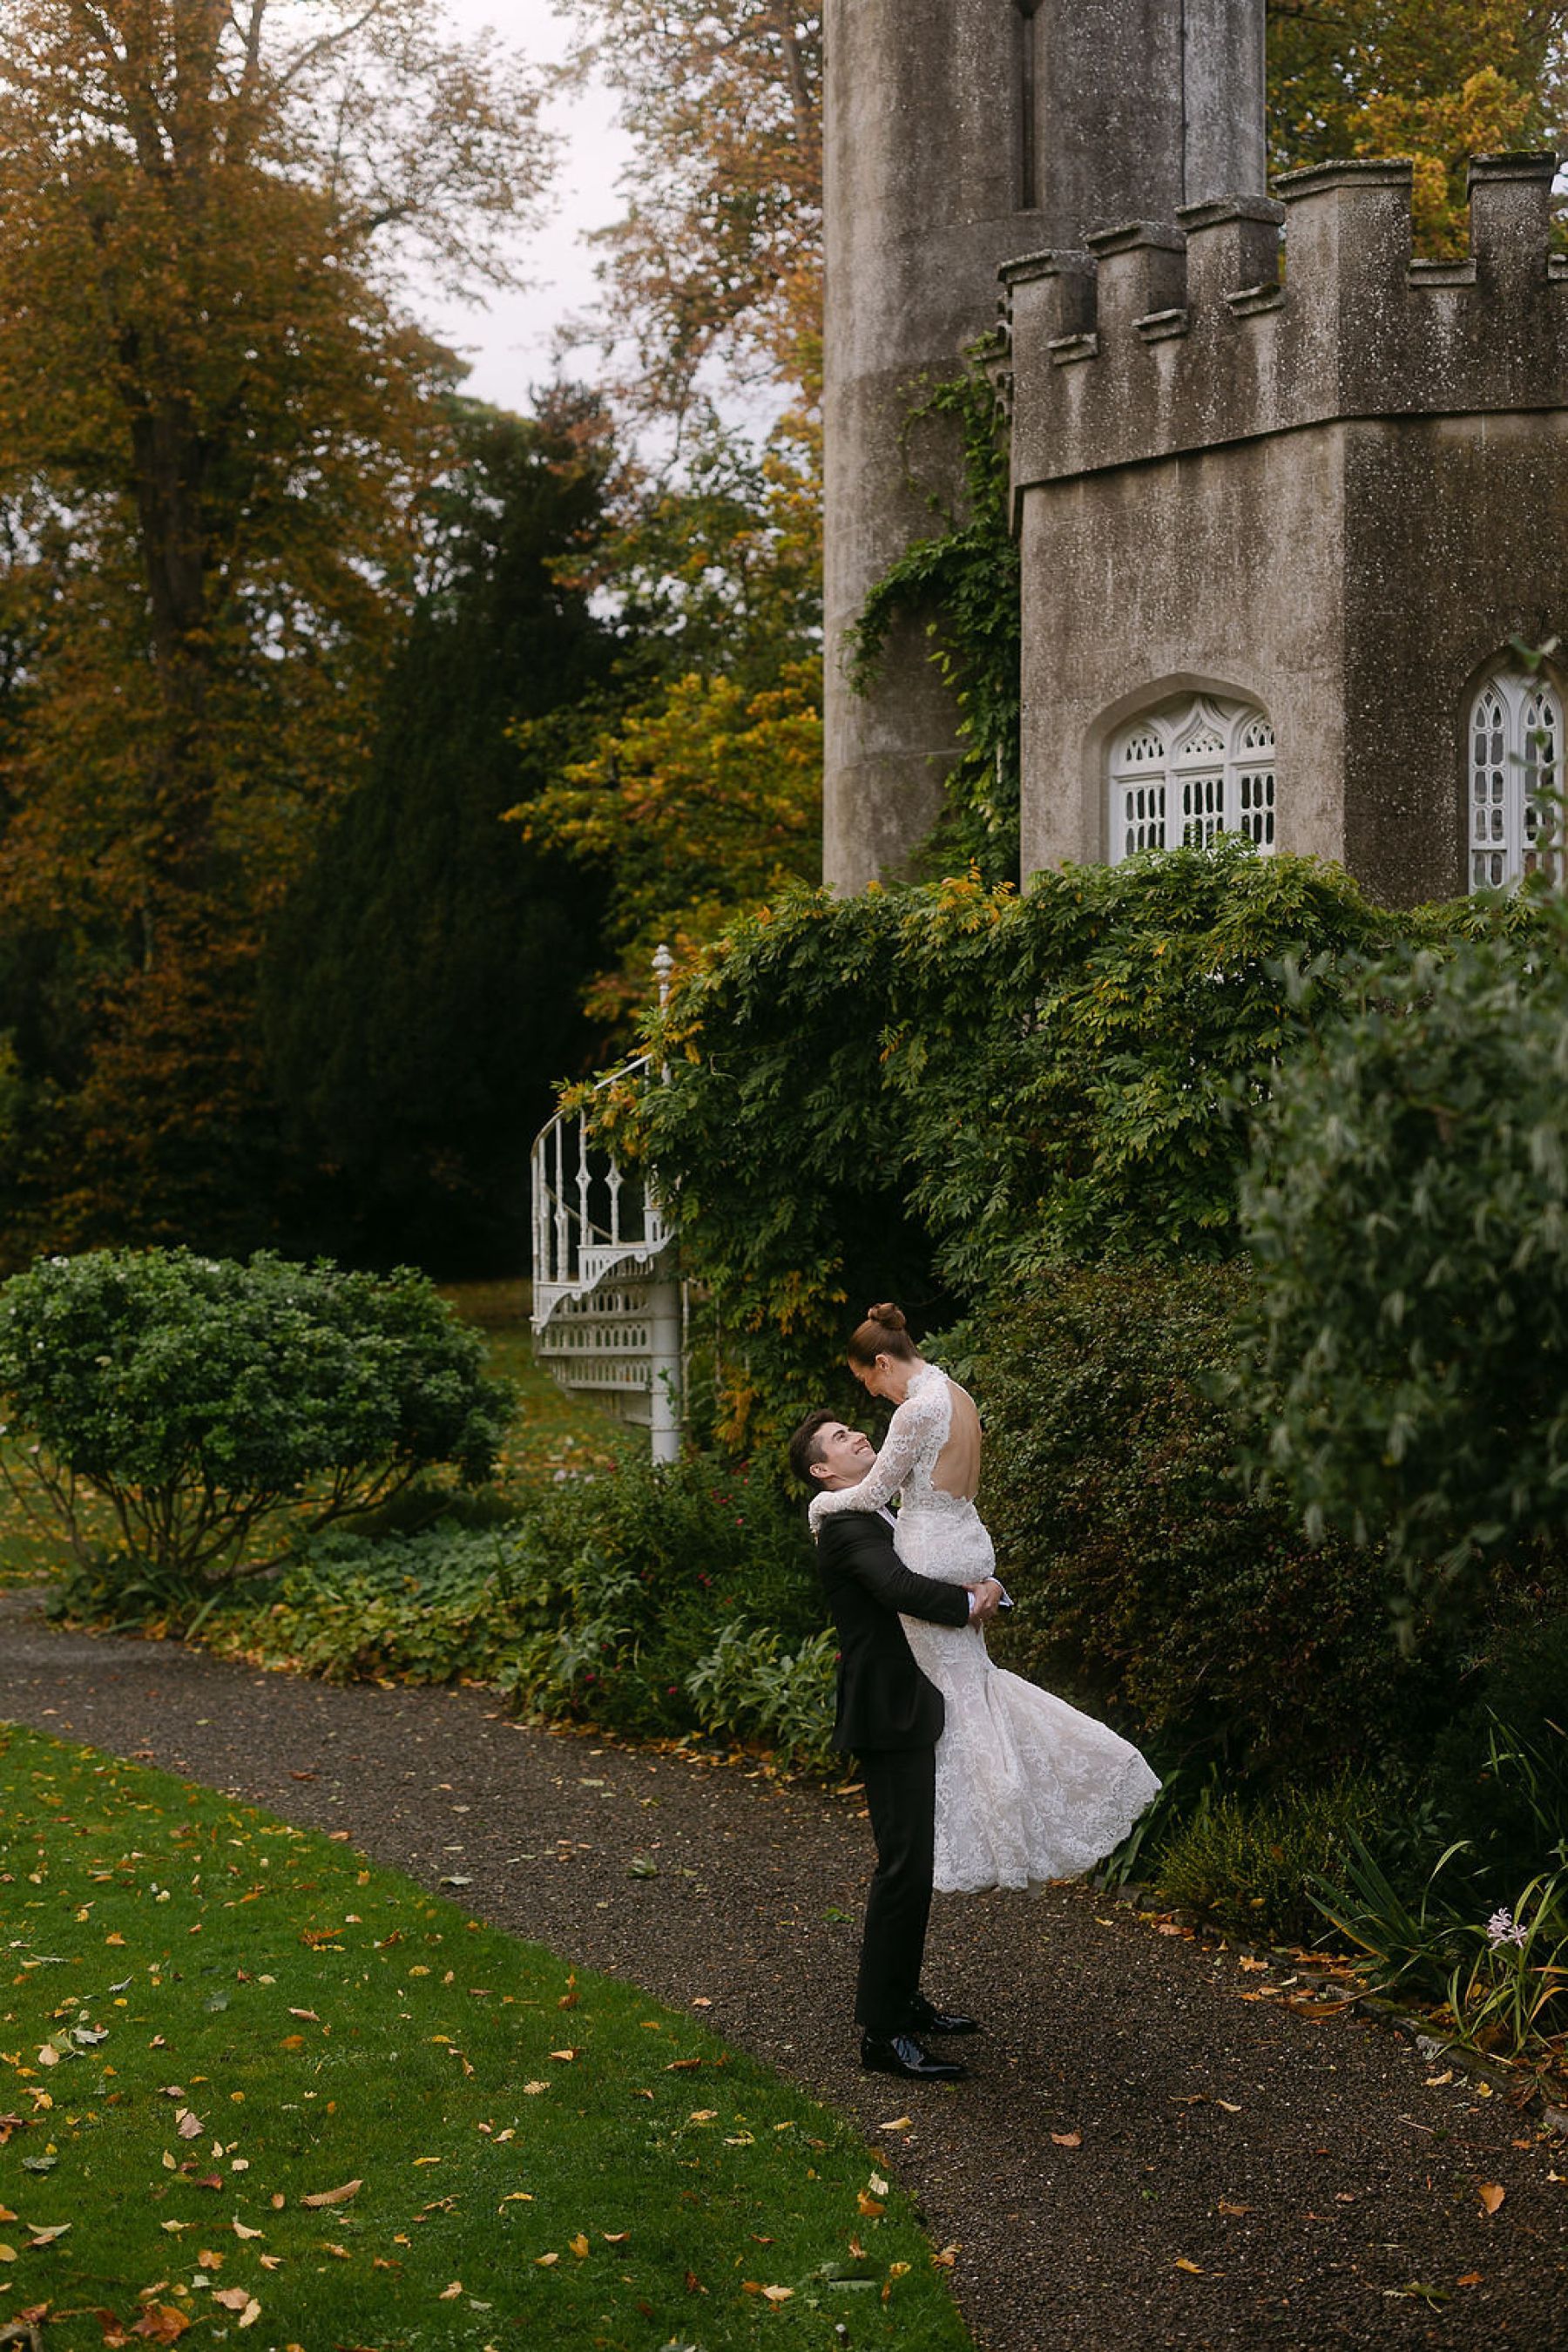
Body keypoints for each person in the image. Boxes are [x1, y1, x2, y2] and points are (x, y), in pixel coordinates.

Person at [808, 1303, 1161, 1896]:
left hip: (933, 1550)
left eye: (869, 1381)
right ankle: (1005, 1814)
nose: (875, 1396)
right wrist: (984, 1590)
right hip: (970, 1545)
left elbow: (870, 1494)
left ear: (884, 1362)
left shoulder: (915, 1410)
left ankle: (985, 1832)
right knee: (976, 1689)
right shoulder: (958, 1394)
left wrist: (821, 1505)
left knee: (960, 1703)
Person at [789, 1405, 1005, 2083]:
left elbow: (936, 1565)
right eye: (839, 1439)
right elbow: (898, 1588)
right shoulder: (844, 1525)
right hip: (887, 1713)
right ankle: (882, 2036)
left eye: (852, 1429)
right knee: (902, 1865)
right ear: (822, 1471)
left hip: (919, 1705)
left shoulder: (885, 1513)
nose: (858, 1435)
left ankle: (904, 2001)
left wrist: (992, 1589)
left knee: (915, 1861)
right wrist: (970, 1604)